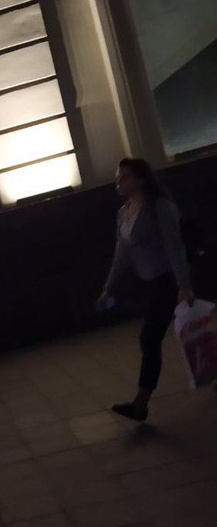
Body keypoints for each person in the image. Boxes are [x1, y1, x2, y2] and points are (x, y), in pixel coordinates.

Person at [98, 158, 195, 421]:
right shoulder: (124, 213)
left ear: (140, 179)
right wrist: (109, 288)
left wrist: (183, 285)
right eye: (117, 179)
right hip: (149, 282)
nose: (118, 183)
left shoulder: (158, 206)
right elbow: (121, 254)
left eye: (124, 178)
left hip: (168, 280)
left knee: (149, 339)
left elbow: (174, 246)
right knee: (190, 328)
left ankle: (140, 404)